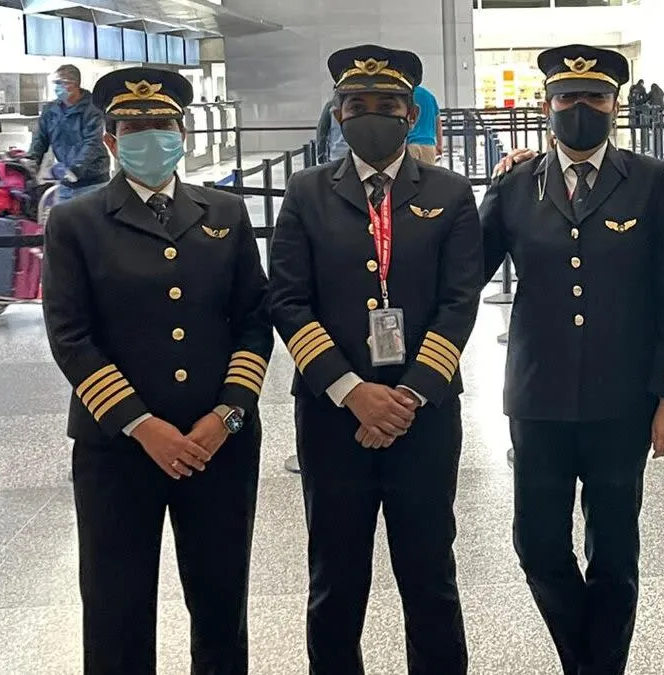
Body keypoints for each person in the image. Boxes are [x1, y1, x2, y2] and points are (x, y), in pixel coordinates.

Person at [41, 67, 272, 674]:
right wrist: (143, 426)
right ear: (112, 141)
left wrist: (226, 416)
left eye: (162, 125)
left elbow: (253, 320)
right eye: (133, 127)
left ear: (183, 134)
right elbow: (70, 336)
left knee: (221, 604)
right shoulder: (75, 222)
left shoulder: (225, 211)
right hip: (117, 447)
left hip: (217, 443)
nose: (150, 136)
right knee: (116, 608)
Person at [268, 44, 483, 675]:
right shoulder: (307, 192)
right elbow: (288, 299)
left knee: (430, 576)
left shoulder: (449, 192)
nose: (370, 115)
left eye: (386, 105)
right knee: (335, 579)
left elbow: (459, 302)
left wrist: (407, 394)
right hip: (333, 417)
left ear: (409, 112)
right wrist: (350, 390)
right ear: (337, 113)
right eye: (355, 105)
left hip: (426, 415)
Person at [479, 44, 664, 675]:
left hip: (622, 404)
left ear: (614, 106)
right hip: (537, 402)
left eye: (593, 97)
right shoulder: (516, 185)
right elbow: (461, 277)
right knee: (537, 544)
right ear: (546, 106)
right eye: (567, 98)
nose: (579, 108)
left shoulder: (653, 184)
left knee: (616, 552)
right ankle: (587, 662)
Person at [28, 64, 109, 199]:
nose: (57, 88)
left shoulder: (92, 109)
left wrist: (75, 169)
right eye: (56, 83)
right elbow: (40, 140)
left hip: (93, 182)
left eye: (61, 83)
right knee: (65, 219)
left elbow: (92, 142)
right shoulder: (51, 111)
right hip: (66, 185)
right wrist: (31, 162)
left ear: (74, 84)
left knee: (92, 219)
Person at [407, 84, 442, 163]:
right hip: (429, 145)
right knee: (428, 174)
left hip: (410, 144)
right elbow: (438, 123)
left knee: (411, 174)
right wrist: (439, 145)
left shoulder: (407, 94)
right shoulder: (430, 96)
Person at [316, 93, 350, 164]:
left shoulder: (331, 105)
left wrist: (320, 154)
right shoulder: (359, 105)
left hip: (336, 154)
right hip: (356, 155)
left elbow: (321, 132)